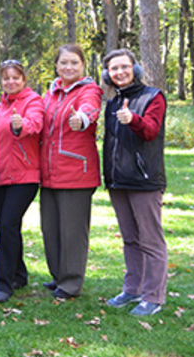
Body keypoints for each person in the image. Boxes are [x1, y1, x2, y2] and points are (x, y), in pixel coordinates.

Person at [102, 49, 167, 316]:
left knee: (150, 240)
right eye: (114, 69)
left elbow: (151, 131)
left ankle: (153, 296)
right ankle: (133, 289)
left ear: (134, 69)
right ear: (108, 74)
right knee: (130, 238)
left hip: (144, 180)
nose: (119, 72)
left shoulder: (154, 97)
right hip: (118, 181)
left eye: (124, 67)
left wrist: (134, 120)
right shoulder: (113, 102)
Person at [40, 44, 103, 300]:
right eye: (64, 62)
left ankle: (71, 281)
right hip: (48, 171)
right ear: (56, 65)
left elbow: (90, 108)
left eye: (74, 63)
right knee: (51, 228)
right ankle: (58, 276)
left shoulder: (89, 90)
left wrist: (83, 119)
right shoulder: (50, 93)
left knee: (73, 231)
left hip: (76, 170)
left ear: (83, 66)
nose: (68, 67)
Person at [0, 60, 44, 303]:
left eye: (15, 78)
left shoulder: (32, 101)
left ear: (23, 79)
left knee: (8, 224)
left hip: (24, 175)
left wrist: (23, 125)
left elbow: (36, 123)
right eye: (6, 78)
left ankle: (4, 283)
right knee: (7, 227)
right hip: (0, 177)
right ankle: (19, 273)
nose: (11, 82)